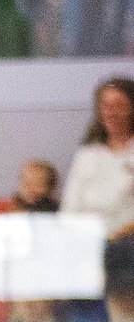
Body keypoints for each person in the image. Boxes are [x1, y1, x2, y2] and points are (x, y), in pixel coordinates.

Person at [62, 76, 134, 239]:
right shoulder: (86, 154)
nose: (111, 113)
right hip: (86, 240)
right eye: (106, 106)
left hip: (126, 240)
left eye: (119, 106)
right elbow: (70, 207)